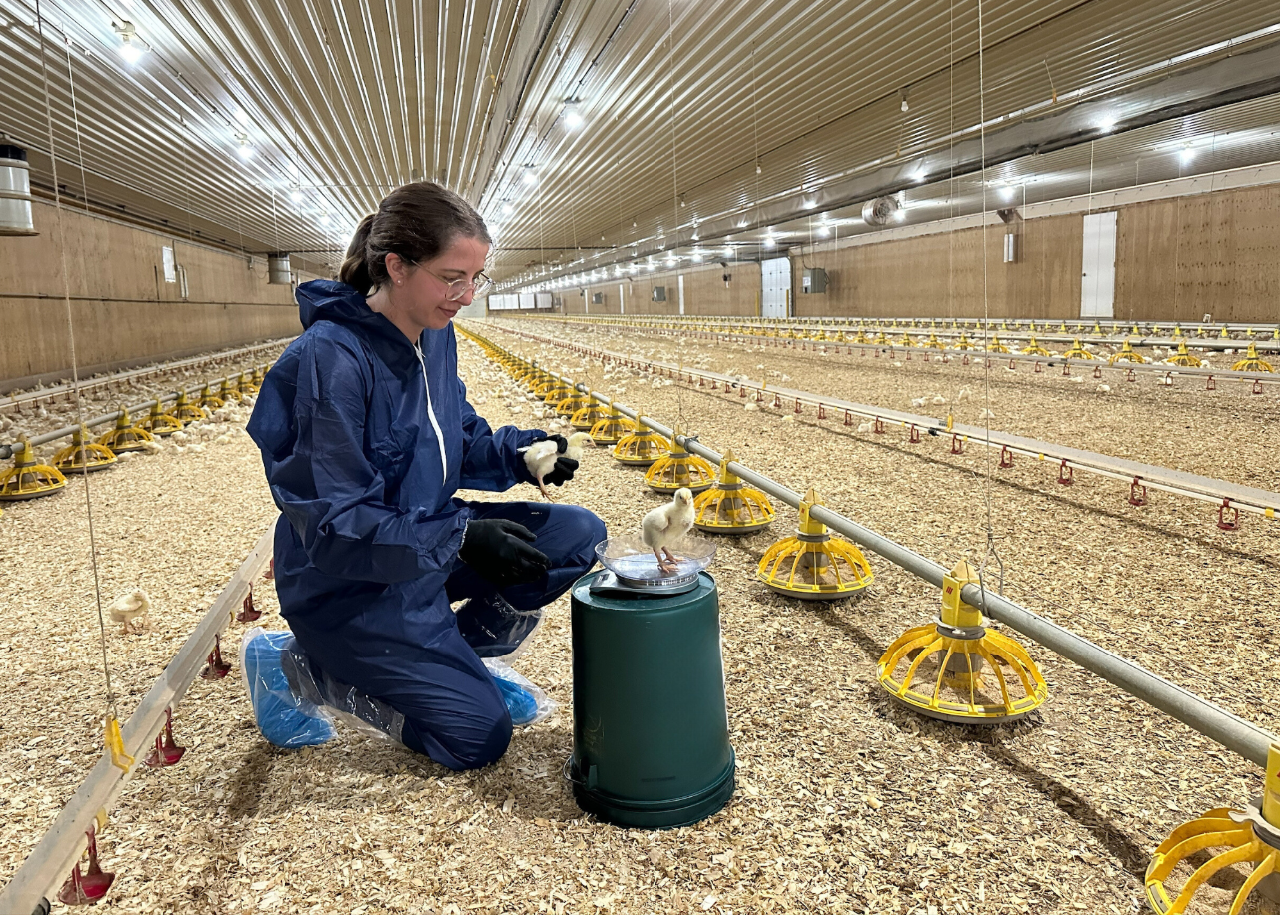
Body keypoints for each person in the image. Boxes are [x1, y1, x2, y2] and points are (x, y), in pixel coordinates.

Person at [242, 181, 607, 770]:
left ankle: (454, 664)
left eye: (475, 278)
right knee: (475, 738)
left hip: (422, 545)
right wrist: (459, 538)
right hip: (351, 582)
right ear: (396, 266)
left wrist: (521, 454)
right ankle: (298, 665)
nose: (465, 295)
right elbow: (335, 523)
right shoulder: (327, 361)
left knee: (575, 537)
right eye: (450, 277)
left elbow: (455, 436)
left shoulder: (434, 339)